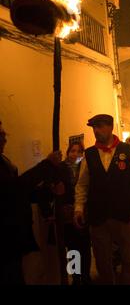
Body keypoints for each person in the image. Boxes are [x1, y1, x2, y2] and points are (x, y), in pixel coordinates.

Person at [74, 114, 130, 285]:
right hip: (98, 217)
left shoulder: (128, 151)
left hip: (123, 215)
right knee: (103, 260)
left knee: (128, 257)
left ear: (111, 127)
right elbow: (82, 185)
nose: (97, 130)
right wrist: (78, 208)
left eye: (101, 126)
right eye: (94, 127)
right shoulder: (89, 155)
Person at [0, 121, 62, 284]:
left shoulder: (4, 160)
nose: (4, 139)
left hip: (14, 237)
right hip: (5, 239)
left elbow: (21, 194)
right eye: (1, 135)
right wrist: (46, 165)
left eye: (4, 134)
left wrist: (48, 192)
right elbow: (14, 189)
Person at [60, 141, 92, 285]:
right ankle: (76, 277)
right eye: (73, 151)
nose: (76, 154)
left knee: (84, 246)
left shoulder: (85, 168)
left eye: (79, 152)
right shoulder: (61, 168)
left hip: (83, 213)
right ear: (68, 152)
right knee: (72, 247)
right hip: (67, 214)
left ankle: (85, 276)